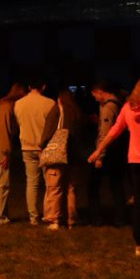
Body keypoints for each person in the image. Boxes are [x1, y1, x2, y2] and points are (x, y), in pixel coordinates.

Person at [89, 77, 140, 257]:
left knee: (139, 203)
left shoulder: (128, 108)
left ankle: (139, 245)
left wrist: (99, 150)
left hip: (136, 162)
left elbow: (114, 132)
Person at [42, 90, 93, 229]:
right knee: (72, 189)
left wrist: (42, 146)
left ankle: (54, 220)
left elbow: (48, 132)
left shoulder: (57, 111)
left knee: (55, 187)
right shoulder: (78, 114)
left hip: (58, 156)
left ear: (60, 100)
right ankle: (71, 219)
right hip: (75, 157)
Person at [14, 78, 58, 226]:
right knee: (49, 183)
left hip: (26, 146)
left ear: (29, 86)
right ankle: (49, 213)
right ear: (43, 86)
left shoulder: (18, 104)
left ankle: (33, 217)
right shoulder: (50, 103)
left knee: (32, 183)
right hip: (44, 147)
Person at [88, 82, 127, 226]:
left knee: (93, 186)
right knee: (116, 185)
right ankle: (120, 218)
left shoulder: (109, 107)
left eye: (95, 95)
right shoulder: (118, 103)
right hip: (117, 150)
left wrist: (100, 155)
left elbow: (106, 132)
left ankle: (96, 218)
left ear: (100, 92)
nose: (95, 98)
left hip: (109, 151)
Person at [0, 83, 24, 224]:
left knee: (0, 181)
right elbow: (3, 132)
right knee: (2, 182)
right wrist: (6, 153)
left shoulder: (3, 104)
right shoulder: (7, 108)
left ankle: (0, 214)